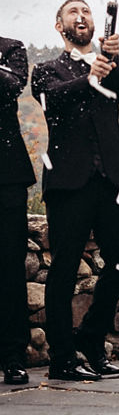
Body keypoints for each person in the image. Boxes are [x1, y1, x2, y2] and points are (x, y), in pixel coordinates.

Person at [31, 0, 119, 381]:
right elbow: (51, 100)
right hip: (68, 182)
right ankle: (62, 358)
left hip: (111, 180)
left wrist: (112, 59)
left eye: (87, 12)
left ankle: (91, 340)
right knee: (63, 270)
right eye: (72, 12)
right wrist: (88, 76)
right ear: (58, 24)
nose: (82, 17)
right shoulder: (46, 71)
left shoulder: (107, 64)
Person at [0, 36, 35, 385]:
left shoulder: (10, 47)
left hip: (5, 175)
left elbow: (10, 85)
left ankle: (12, 355)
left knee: (10, 268)